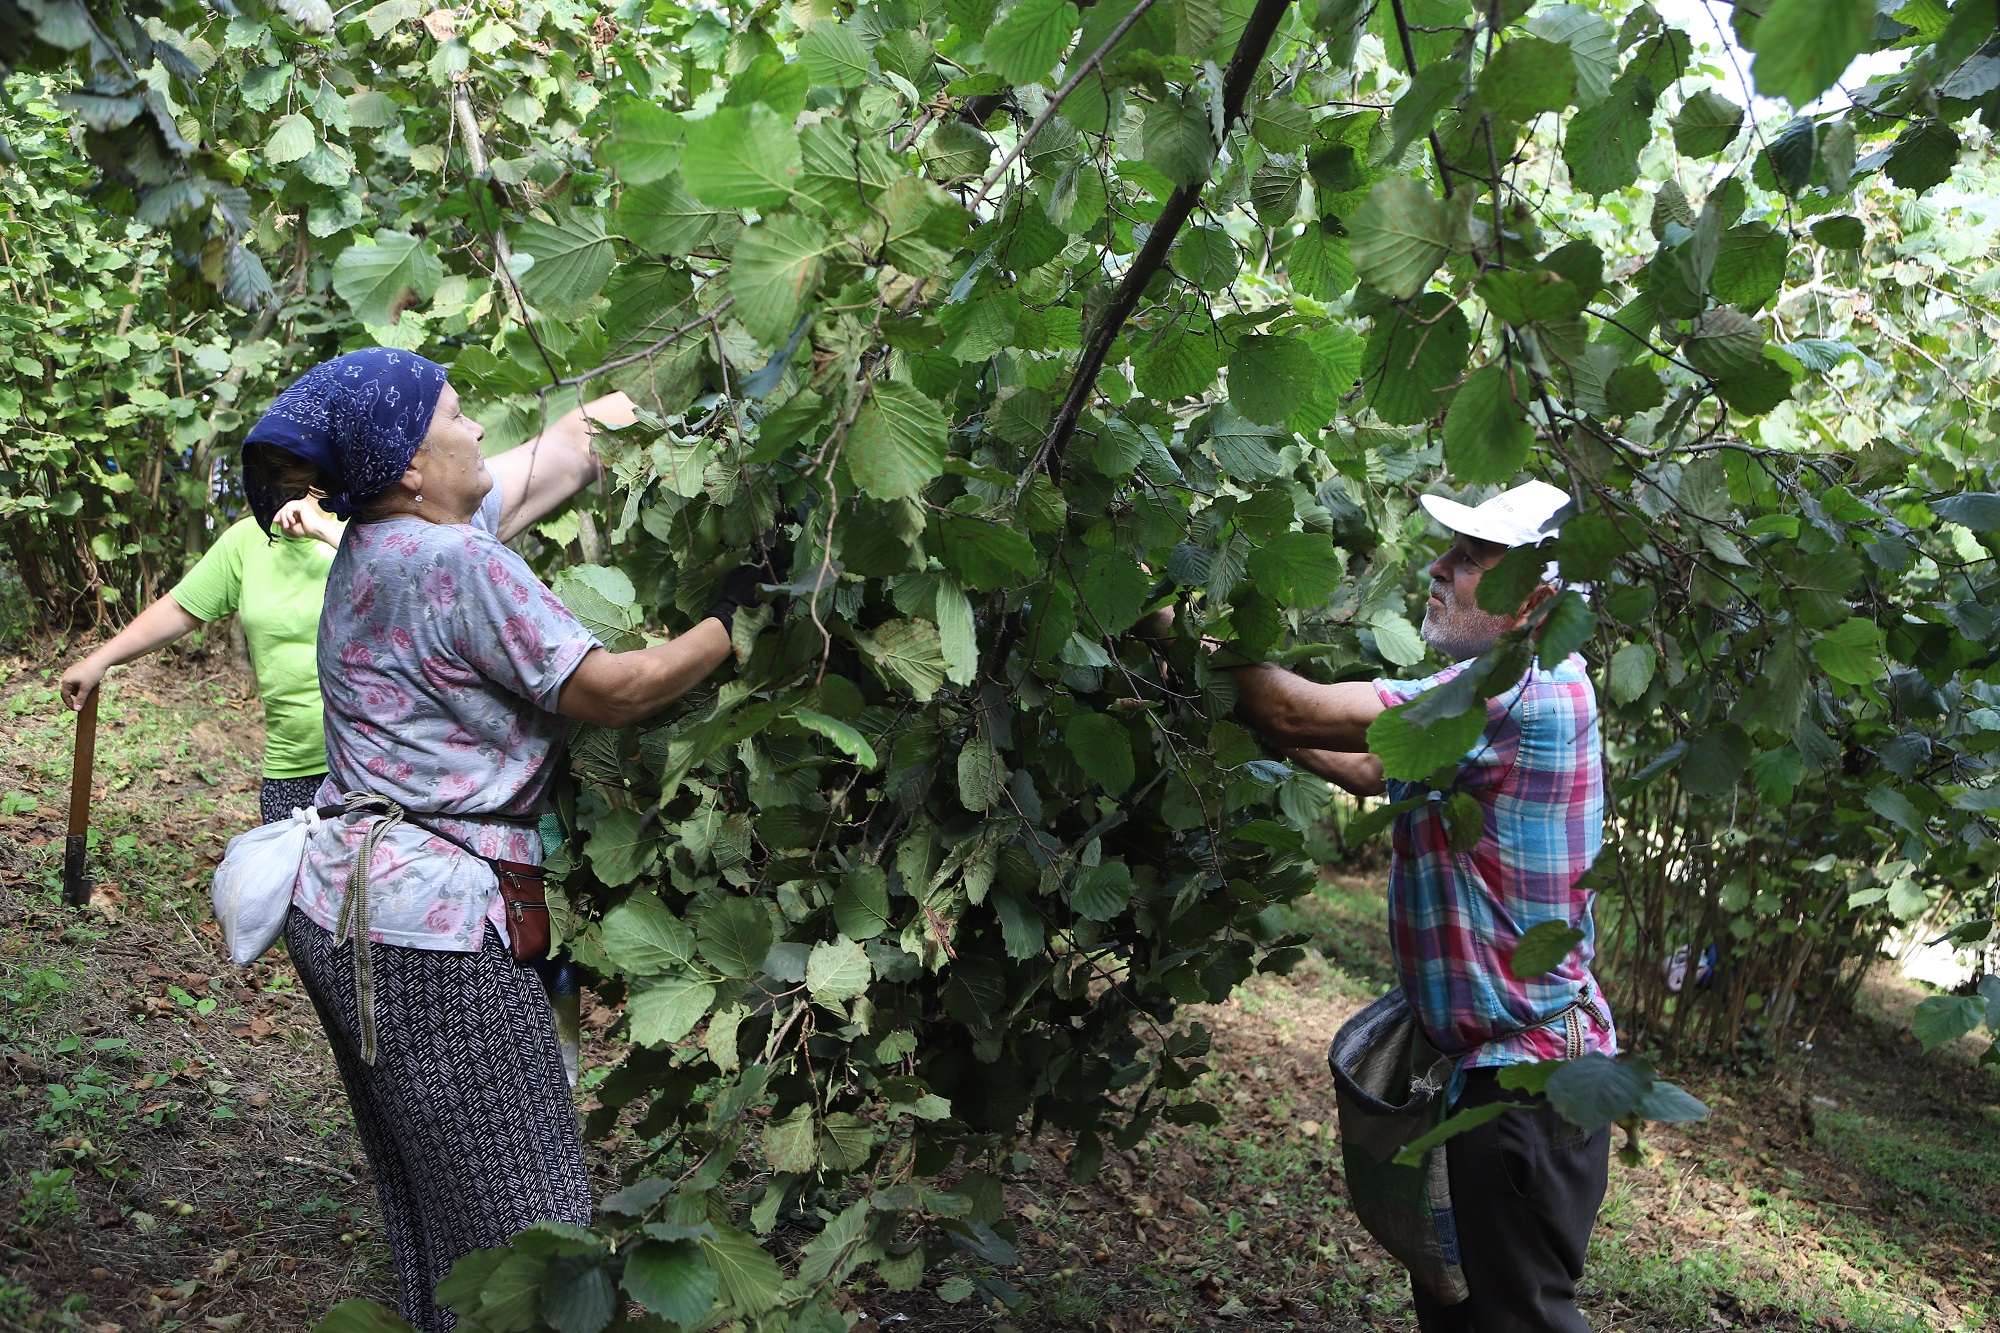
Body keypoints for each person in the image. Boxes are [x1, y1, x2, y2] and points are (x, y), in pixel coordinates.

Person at [237, 348, 769, 1331]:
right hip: (427, 933)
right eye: (456, 414)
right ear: (407, 465)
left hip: (350, 908)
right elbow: (616, 689)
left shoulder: (376, 544)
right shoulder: (458, 560)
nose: (479, 428)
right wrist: (729, 622)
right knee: (534, 1231)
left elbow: (569, 447)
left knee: (440, 1215)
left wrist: (721, 360)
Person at [1224, 479, 1615, 1333]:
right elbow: (1371, 766)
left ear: (1537, 597)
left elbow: (1299, 707)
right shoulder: (1509, 682)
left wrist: (1175, 639)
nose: (1440, 567)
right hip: (1502, 1076)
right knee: (1466, 1312)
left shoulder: (1521, 692)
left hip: (1525, 1090)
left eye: (1471, 558)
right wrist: (1270, 729)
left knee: (1517, 1321)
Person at [60, 498, 346, 824]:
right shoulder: (250, 538)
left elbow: (410, 581)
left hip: (374, 762)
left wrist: (325, 530)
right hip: (292, 764)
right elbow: (181, 609)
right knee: (294, 874)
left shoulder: (374, 528)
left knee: (368, 872)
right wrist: (100, 660)